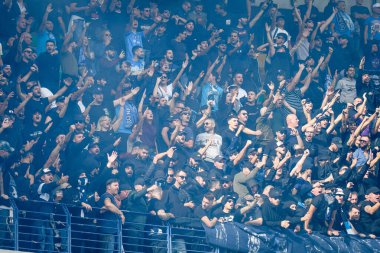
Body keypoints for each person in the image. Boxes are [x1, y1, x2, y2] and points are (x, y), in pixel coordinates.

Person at [98, 178, 125, 253]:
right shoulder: (107, 195)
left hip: (111, 231)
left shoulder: (111, 196)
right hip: (107, 232)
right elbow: (108, 204)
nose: (117, 187)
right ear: (108, 187)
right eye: (115, 185)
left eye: (118, 185)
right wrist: (121, 213)